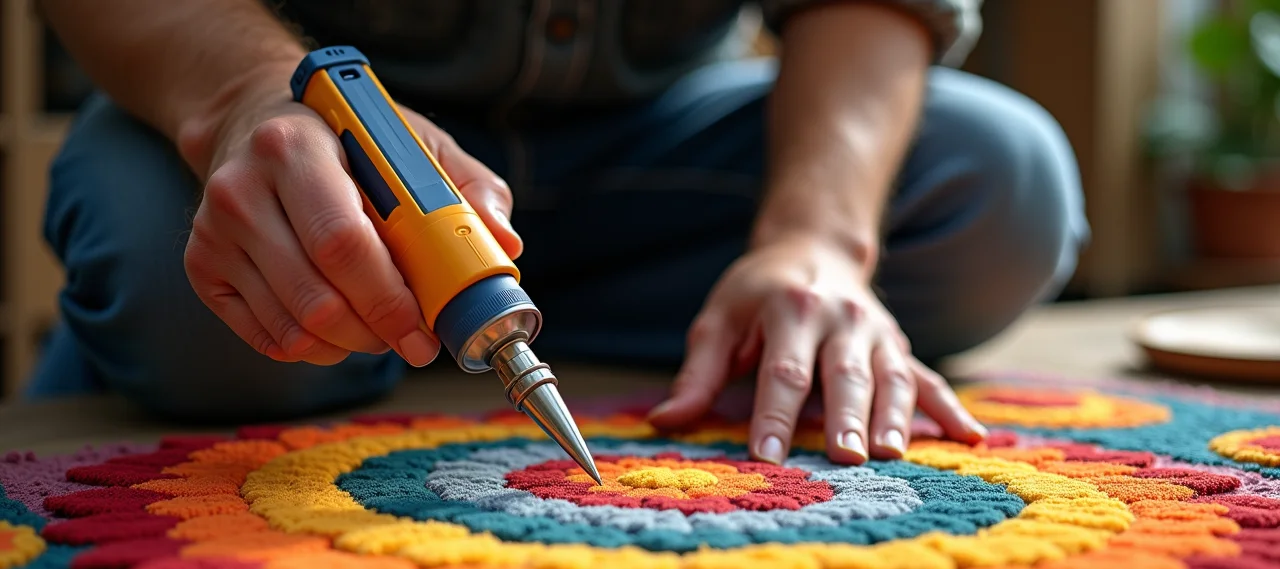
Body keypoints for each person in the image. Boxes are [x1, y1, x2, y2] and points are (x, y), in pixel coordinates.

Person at [27, 0, 1085, 467]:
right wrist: (246, 96)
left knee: (1001, 184)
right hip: (302, 130)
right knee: (179, 283)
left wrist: (817, 241)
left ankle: (430, 332)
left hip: (662, 150)